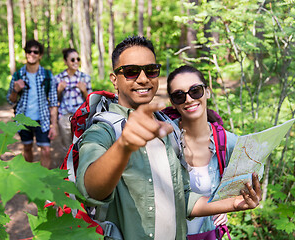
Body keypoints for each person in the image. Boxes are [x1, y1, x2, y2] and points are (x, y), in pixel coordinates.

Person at [75, 36, 261, 239]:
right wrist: (124, 146)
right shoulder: (104, 130)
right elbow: (91, 191)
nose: (143, 78)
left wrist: (232, 204)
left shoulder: (168, 128)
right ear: (114, 79)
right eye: (131, 72)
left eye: (151, 70)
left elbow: (182, 198)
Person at [165, 65, 237, 238]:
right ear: (173, 103)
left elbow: (242, 179)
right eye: (179, 95)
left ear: (207, 92)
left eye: (195, 91)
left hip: (208, 234)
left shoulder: (227, 141)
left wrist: (225, 204)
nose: (189, 99)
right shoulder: (164, 138)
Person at [6, 39, 58, 169]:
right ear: (25, 54)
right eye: (29, 51)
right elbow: (10, 100)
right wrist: (15, 90)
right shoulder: (18, 75)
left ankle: (43, 181)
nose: (32, 54)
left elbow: (53, 102)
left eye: (36, 52)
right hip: (24, 119)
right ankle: (29, 178)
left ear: (40, 55)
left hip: (43, 119)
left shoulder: (47, 75)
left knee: (45, 150)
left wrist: (54, 125)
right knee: (27, 148)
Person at [54, 48, 92, 159]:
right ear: (65, 62)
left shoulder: (85, 78)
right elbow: (54, 101)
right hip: (64, 117)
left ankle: (80, 171)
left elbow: (90, 100)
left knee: (81, 144)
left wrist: (84, 90)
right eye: (72, 59)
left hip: (80, 116)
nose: (76, 62)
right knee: (67, 146)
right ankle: (69, 171)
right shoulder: (58, 78)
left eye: (78, 59)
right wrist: (59, 90)